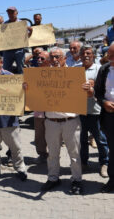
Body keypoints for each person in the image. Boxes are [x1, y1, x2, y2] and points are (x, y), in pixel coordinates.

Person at [39, 48, 83, 194]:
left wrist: (87, 88)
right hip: (51, 121)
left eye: (57, 57)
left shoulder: (75, 74)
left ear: (65, 58)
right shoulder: (43, 75)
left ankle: (77, 179)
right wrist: (28, 88)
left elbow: (86, 94)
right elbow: (36, 94)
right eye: (51, 57)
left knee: (74, 153)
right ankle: (53, 178)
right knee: (52, 153)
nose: (54, 60)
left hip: (70, 120)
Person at [0, 52, 27, 182]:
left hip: (9, 122)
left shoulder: (11, 77)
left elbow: (20, 97)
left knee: (15, 148)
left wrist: (23, 89)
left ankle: (20, 168)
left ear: (1, 62)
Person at [78, 45, 109, 177]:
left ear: (93, 55)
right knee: (82, 139)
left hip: (96, 111)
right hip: (79, 111)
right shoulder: (75, 70)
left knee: (100, 139)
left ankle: (104, 164)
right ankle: (84, 163)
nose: (86, 55)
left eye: (89, 53)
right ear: (79, 56)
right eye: (83, 53)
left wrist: (93, 91)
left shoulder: (99, 70)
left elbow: (104, 89)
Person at [95, 43, 114, 193]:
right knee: (112, 149)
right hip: (109, 116)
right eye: (110, 57)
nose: (111, 60)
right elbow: (98, 92)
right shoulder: (105, 69)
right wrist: (103, 102)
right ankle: (112, 181)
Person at [2, 6, 32, 74]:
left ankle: (22, 83)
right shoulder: (4, 24)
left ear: (17, 13)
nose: (10, 14)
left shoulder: (22, 23)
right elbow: (1, 37)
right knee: (5, 69)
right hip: (7, 50)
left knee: (21, 69)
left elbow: (27, 37)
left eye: (12, 12)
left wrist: (31, 31)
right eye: (9, 12)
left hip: (19, 50)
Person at [32, 51, 50, 164]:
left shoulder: (56, 73)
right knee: (39, 135)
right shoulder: (32, 73)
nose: (39, 60)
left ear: (48, 60)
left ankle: (53, 155)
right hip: (39, 110)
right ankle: (42, 154)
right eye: (38, 58)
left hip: (52, 110)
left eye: (42, 59)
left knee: (52, 136)